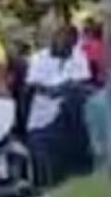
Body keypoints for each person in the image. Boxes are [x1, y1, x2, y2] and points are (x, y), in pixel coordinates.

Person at [26, 25, 93, 185]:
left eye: (71, 46)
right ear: (55, 41)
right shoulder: (39, 58)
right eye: (65, 45)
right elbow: (34, 84)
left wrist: (68, 87)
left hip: (71, 109)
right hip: (45, 111)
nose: (68, 51)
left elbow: (82, 80)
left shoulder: (77, 56)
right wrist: (54, 89)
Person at [81, 19, 106, 86]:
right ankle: (96, 80)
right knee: (95, 71)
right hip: (96, 60)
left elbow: (84, 49)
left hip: (92, 60)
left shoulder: (92, 42)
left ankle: (95, 80)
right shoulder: (99, 42)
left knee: (94, 71)